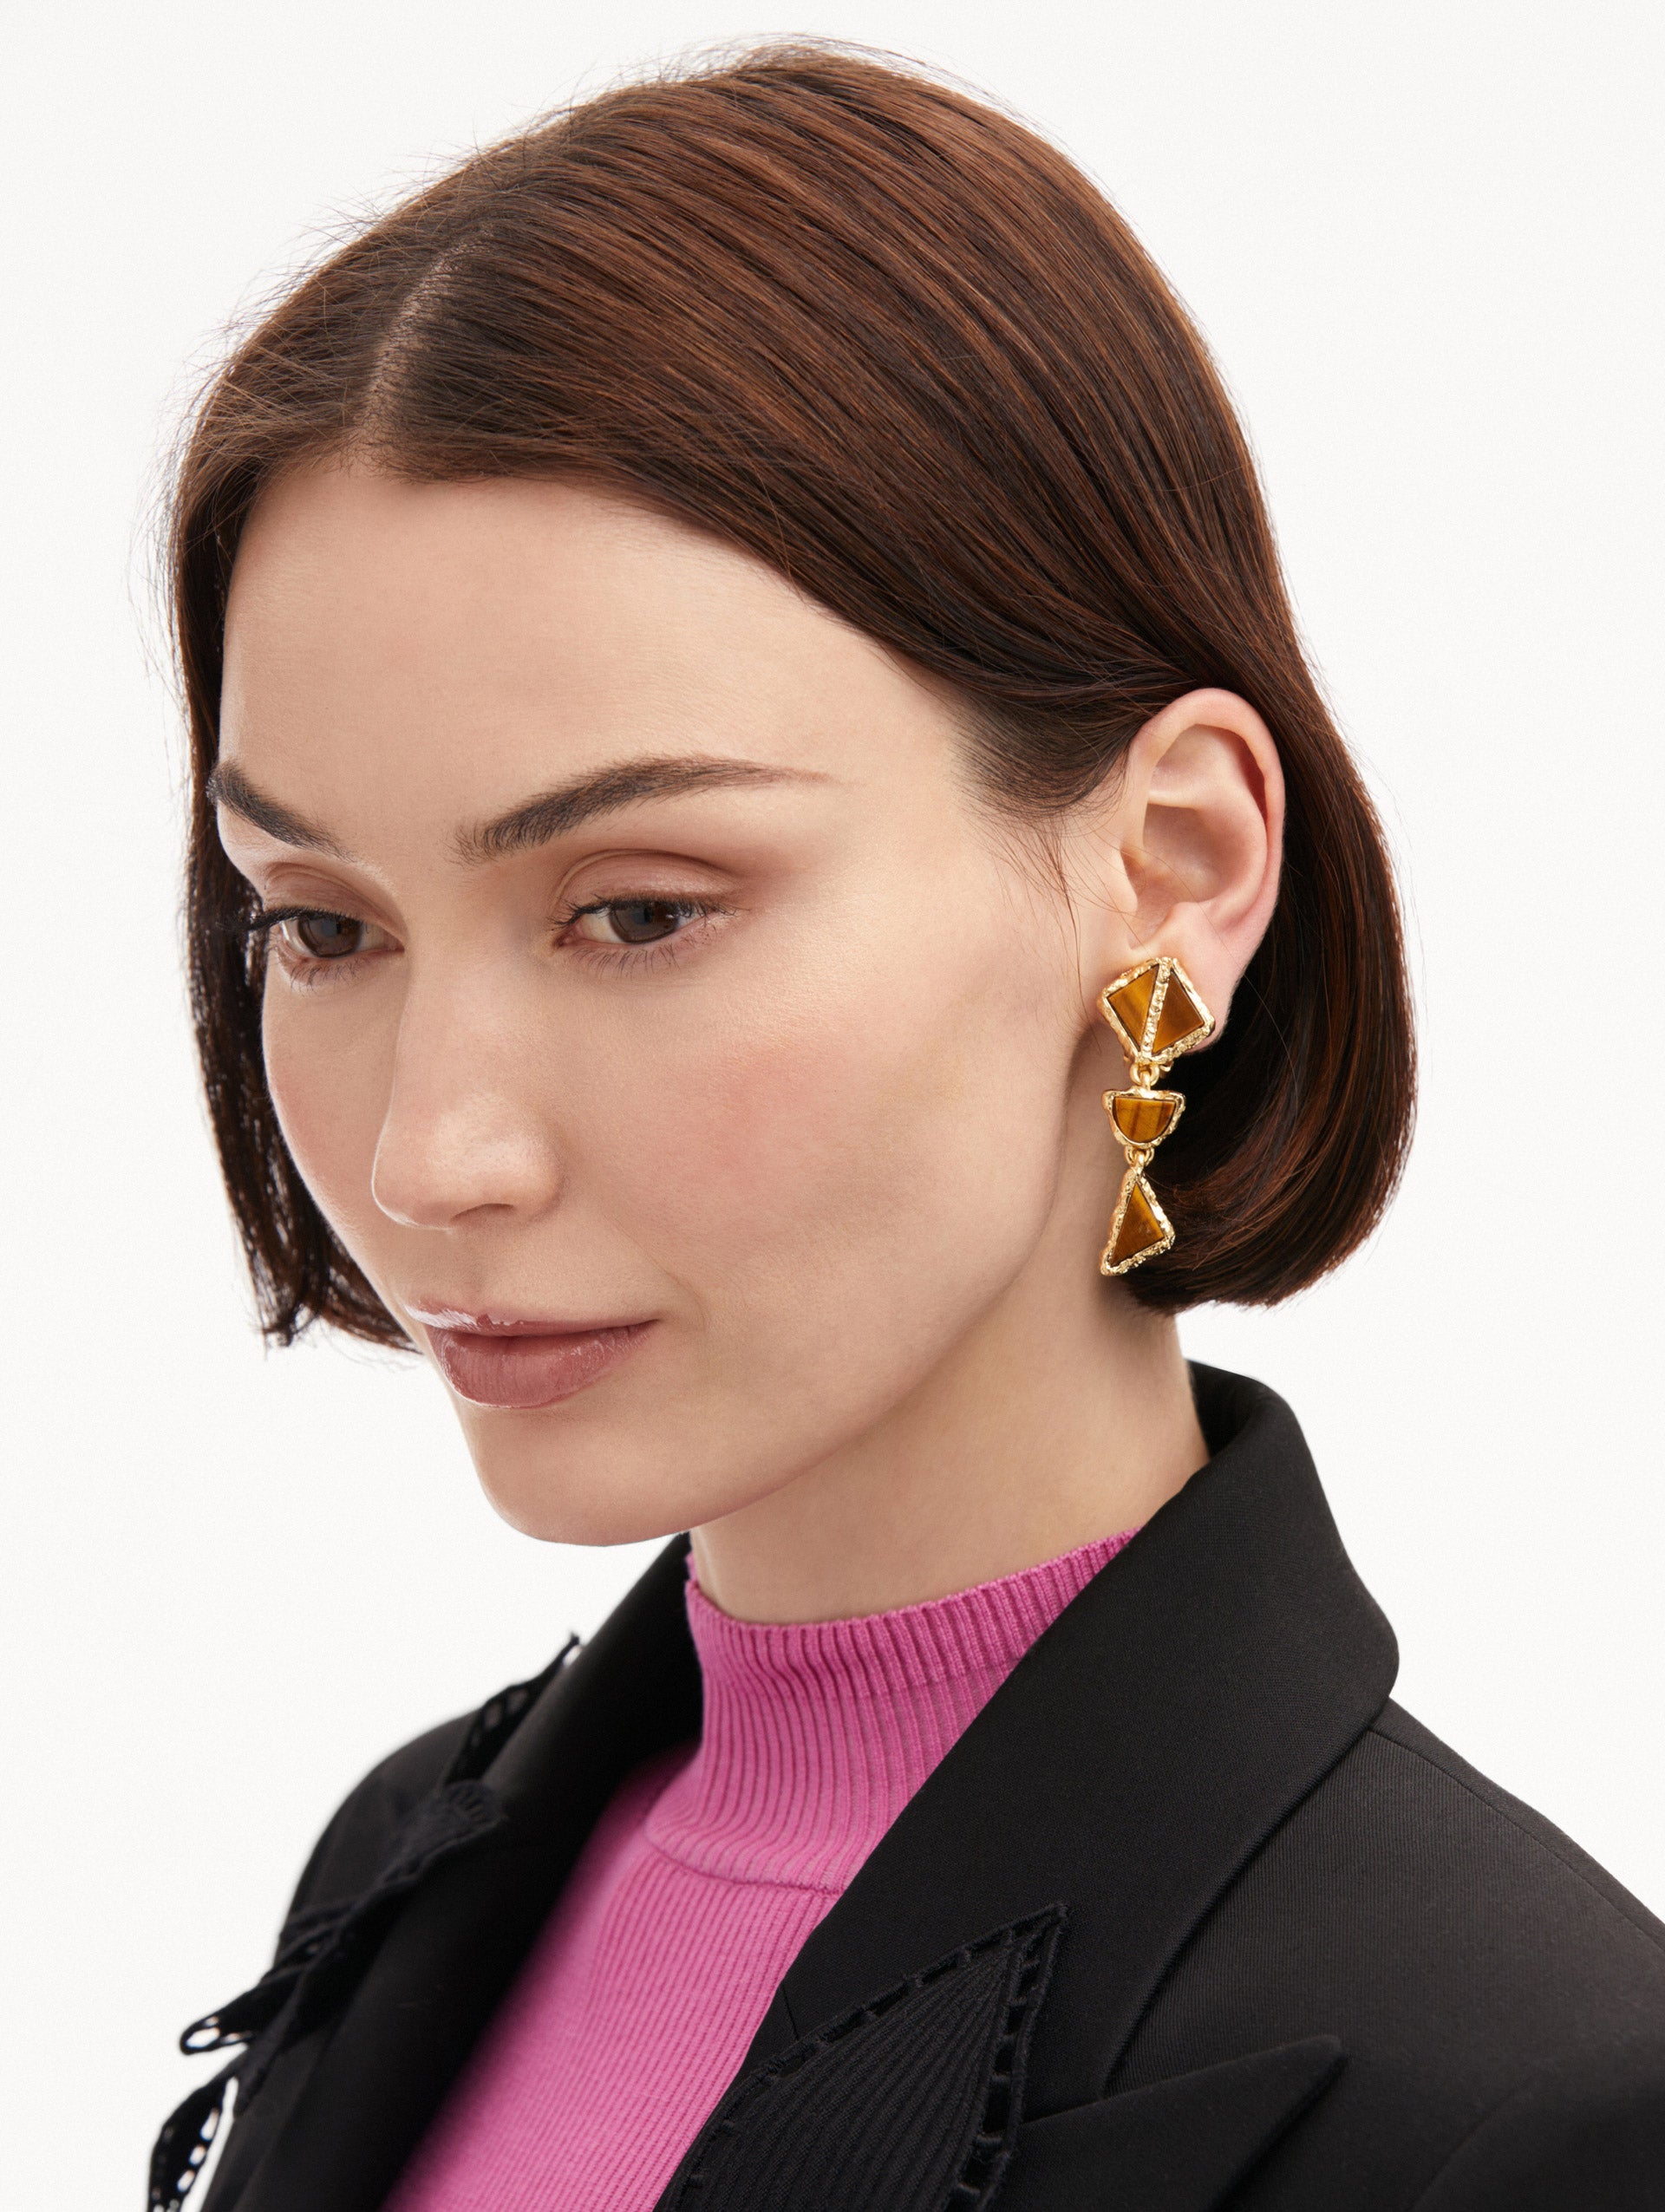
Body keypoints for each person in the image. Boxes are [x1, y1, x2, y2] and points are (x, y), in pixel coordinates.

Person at [148, 47, 1665, 2212]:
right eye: (321, 925)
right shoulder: (410, 1872)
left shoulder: (1522, 2107)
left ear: (1174, 866)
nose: (430, 1158)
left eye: (641, 910)